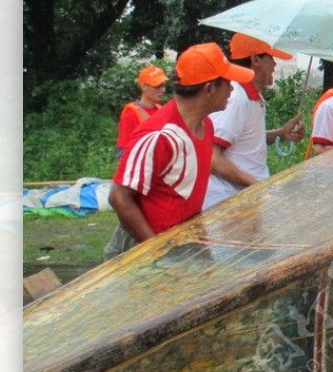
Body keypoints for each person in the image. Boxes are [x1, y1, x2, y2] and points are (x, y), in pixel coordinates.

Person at [105, 44, 252, 259]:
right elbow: (119, 197)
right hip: (143, 247)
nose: (232, 89)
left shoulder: (206, 125)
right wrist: (156, 250)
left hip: (185, 239)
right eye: (228, 83)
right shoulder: (159, 135)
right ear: (209, 88)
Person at [203, 34, 305, 209]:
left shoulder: (252, 96)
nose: (274, 64)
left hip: (245, 198)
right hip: (228, 203)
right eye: (271, 58)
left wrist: (281, 133)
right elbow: (211, 157)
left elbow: (244, 139)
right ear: (256, 60)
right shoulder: (235, 97)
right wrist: (256, 184)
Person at [115, 65, 168, 161]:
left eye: (163, 85)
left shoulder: (161, 110)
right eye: (157, 86)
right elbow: (122, 152)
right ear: (143, 87)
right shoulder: (131, 112)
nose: (162, 90)